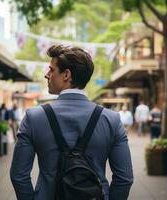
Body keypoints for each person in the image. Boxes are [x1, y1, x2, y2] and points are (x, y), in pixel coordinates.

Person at [10, 45, 133, 200]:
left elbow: (19, 175)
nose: (47, 75)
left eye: (51, 70)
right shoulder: (111, 120)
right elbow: (125, 178)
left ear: (66, 75)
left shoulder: (34, 117)